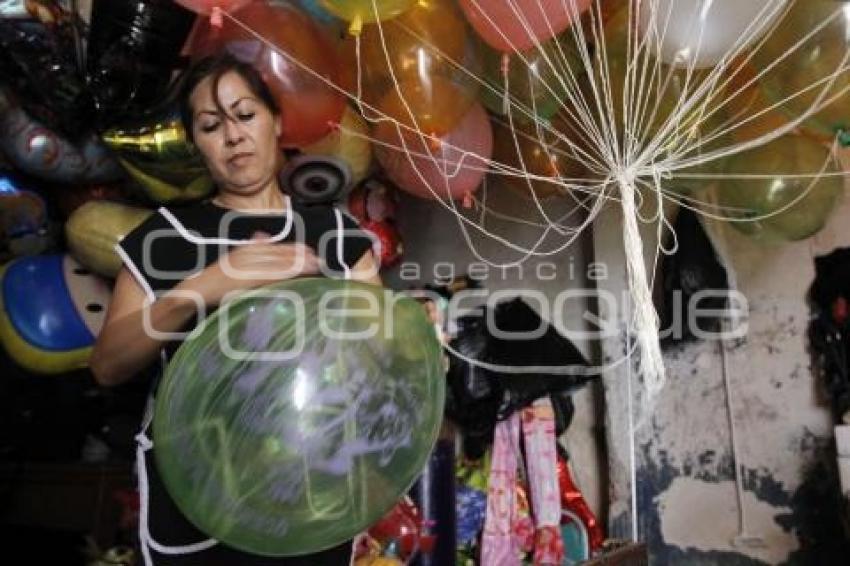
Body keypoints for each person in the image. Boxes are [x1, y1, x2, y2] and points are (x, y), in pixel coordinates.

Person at [89, 53, 380, 565]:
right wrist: (207, 285)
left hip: (312, 490)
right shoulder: (163, 239)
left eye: (246, 115)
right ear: (196, 143)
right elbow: (109, 365)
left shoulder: (337, 237)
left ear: (277, 122)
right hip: (197, 494)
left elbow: (376, 366)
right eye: (210, 125)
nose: (233, 135)